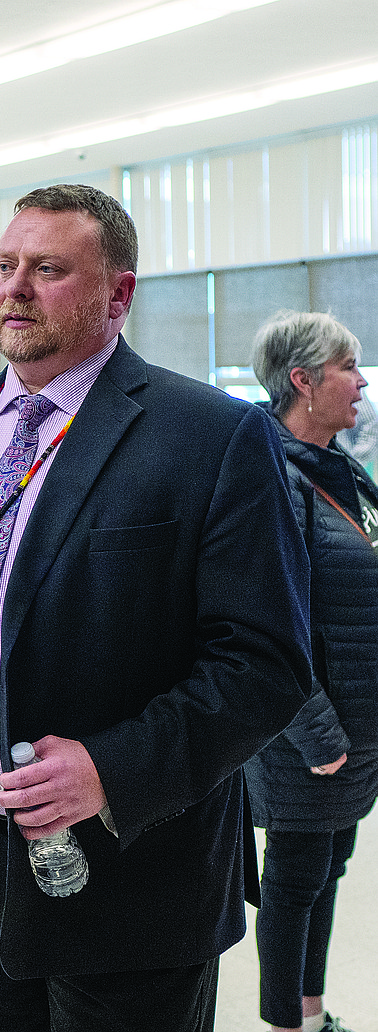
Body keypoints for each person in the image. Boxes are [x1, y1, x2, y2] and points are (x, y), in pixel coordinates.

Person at [0, 183, 313, 1032]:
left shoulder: (211, 436)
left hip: (129, 865)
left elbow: (265, 663)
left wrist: (112, 768)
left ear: (118, 295)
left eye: (49, 269)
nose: (16, 289)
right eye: (5, 266)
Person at [244, 310, 378, 1032]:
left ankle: (311, 1011)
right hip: (308, 736)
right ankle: (284, 1027)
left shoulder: (341, 467)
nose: (361, 381)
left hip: (355, 730)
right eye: (347, 366)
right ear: (302, 380)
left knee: (329, 871)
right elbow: (268, 623)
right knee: (294, 884)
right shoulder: (270, 477)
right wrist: (318, 735)